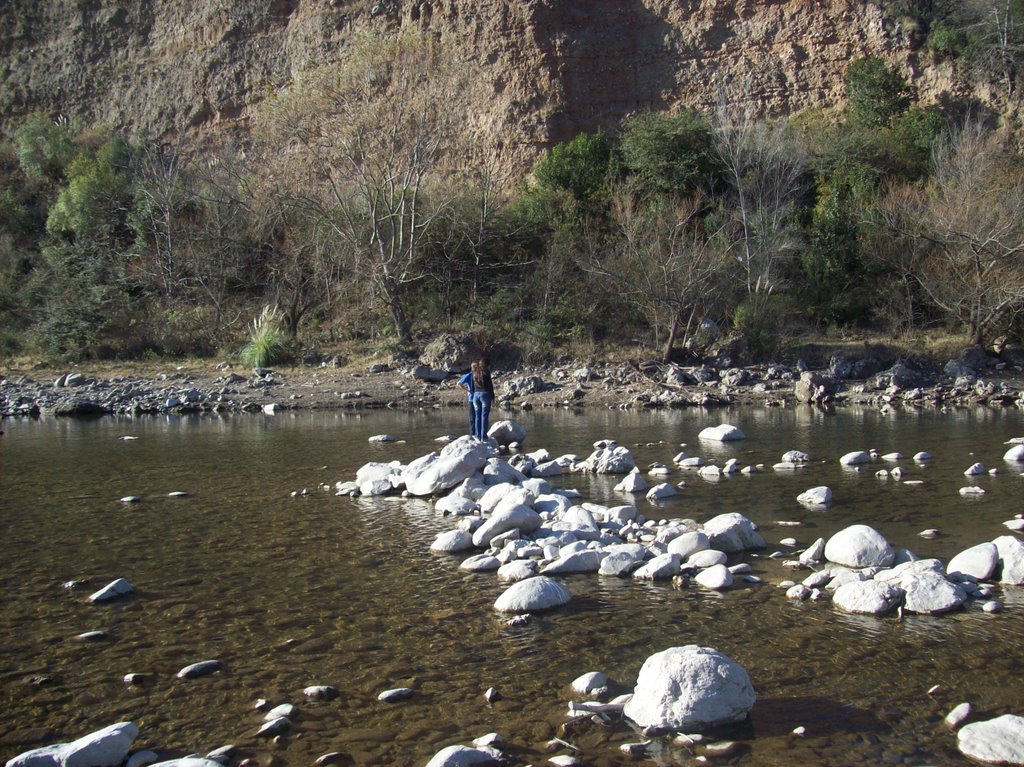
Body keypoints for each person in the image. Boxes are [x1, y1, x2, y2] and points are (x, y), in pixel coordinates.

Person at [471, 358, 494, 440]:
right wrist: (492, 397)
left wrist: (473, 394)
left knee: (477, 416)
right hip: (485, 395)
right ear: (487, 365)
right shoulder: (486, 372)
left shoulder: (474, 372)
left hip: (476, 396)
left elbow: (472, 386)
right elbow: (490, 386)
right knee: (484, 416)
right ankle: (484, 436)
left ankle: (477, 436)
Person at [457, 367, 474, 436]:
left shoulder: (476, 374)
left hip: (477, 398)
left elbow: (459, 383)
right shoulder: (470, 375)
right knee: (473, 418)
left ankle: (476, 434)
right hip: (473, 398)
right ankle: (473, 434)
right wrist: (467, 390)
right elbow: (459, 383)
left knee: (476, 417)